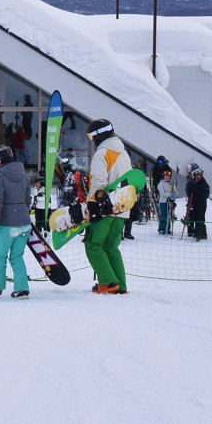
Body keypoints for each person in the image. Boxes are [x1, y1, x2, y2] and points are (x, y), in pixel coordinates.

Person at [85, 119, 132, 294]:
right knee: (111, 246)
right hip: (122, 207)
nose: (92, 140)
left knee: (93, 244)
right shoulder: (124, 153)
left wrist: (92, 203)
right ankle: (120, 285)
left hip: (104, 208)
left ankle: (108, 283)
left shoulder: (102, 153)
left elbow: (99, 181)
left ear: (98, 135)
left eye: (91, 136)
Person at [0, 146, 31, 299]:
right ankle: (22, 289)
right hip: (24, 224)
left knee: (0, 256)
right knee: (17, 257)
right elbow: (28, 200)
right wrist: (22, 214)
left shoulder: (0, 177)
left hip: (7, 224)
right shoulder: (24, 176)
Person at [187, 167, 210, 241]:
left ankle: (201, 233)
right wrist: (191, 190)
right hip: (194, 203)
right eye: (196, 176)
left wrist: (198, 192)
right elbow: (189, 192)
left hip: (201, 203)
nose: (198, 177)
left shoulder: (204, 184)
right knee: (194, 217)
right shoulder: (193, 183)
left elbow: (206, 194)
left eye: (199, 175)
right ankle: (195, 232)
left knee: (201, 218)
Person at [156, 170, 175, 235]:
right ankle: (161, 229)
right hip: (163, 202)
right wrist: (170, 194)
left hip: (170, 202)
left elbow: (174, 191)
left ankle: (168, 228)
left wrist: (174, 195)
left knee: (169, 215)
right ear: (164, 177)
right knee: (164, 215)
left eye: (168, 176)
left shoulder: (171, 183)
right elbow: (163, 193)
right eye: (165, 176)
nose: (167, 177)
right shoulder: (161, 184)